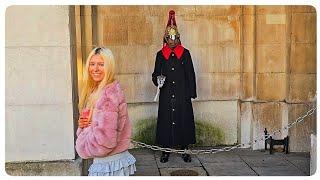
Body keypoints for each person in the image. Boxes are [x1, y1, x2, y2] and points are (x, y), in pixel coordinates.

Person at [75, 47, 136, 176]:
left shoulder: (108, 95)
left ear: (109, 67)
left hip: (109, 163)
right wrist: (83, 126)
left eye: (101, 64)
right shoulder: (97, 91)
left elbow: (105, 142)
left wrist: (83, 145)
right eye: (92, 64)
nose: (95, 69)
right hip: (112, 161)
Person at [152, 10, 197, 163]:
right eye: (169, 38)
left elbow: (190, 74)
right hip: (166, 94)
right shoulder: (160, 54)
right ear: (165, 38)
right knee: (166, 121)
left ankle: (185, 149)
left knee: (183, 120)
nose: (172, 41)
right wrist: (158, 79)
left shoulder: (185, 54)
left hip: (182, 94)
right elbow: (155, 73)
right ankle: (165, 150)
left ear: (178, 38)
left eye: (174, 38)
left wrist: (191, 92)